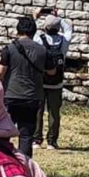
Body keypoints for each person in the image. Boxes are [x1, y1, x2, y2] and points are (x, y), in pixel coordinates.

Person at [0, 16, 51, 158]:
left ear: (18, 30)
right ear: (34, 32)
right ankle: (25, 166)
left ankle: (2, 162)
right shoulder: (42, 51)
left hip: (11, 96)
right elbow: (52, 71)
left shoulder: (9, 48)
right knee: (26, 134)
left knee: (4, 131)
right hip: (32, 97)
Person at [33, 10, 69, 150]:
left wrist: (36, 16)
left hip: (41, 82)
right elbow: (68, 28)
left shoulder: (39, 40)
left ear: (45, 27)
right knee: (54, 113)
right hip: (57, 83)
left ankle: (36, 140)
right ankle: (52, 141)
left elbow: (33, 29)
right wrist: (58, 17)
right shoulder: (64, 41)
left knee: (38, 112)